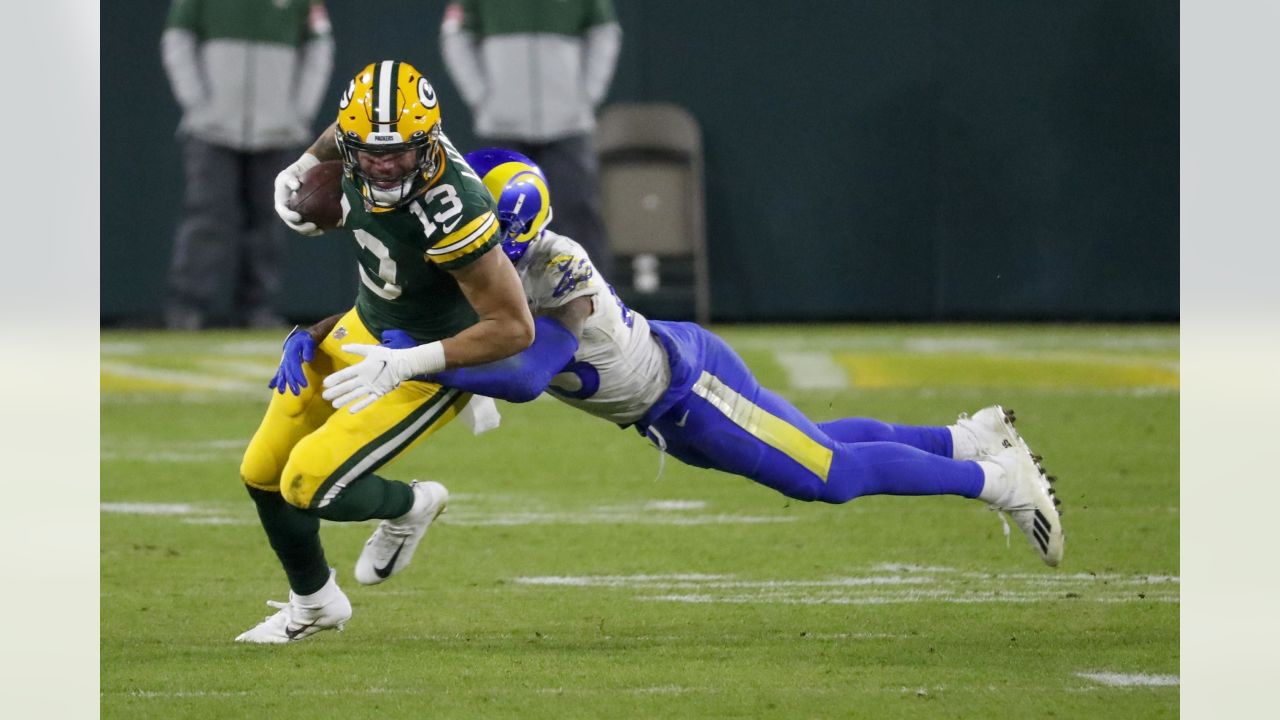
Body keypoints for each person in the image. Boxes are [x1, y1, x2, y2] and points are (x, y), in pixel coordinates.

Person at [324, 149, 1065, 568]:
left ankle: (996, 481)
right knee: (820, 440)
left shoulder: (556, 275)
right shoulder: (475, 243)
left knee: (827, 476)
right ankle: (970, 437)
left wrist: (418, 361)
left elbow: (521, 371)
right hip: (667, 403)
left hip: (687, 390)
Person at [236, 61, 534, 644]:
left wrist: (405, 363)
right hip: (363, 326)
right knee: (262, 472)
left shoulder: (453, 207)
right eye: (369, 151)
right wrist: (300, 165)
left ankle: (412, 504)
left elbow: (513, 328)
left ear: (427, 141)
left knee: (309, 483)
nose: (383, 163)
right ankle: (315, 603)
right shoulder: (358, 143)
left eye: (399, 152)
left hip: (427, 360)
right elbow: (343, 134)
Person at [160, 0, 335, 330]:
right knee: (205, 217)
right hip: (211, 130)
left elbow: (320, 47)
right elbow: (177, 40)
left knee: (270, 222)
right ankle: (186, 309)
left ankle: (258, 309)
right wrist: (198, 105)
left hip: (277, 131)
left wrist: (297, 113)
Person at [439, 0, 620, 277]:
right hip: (502, 126)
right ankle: (501, 306)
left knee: (578, 216)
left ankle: (595, 306)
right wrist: (483, 99)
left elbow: (605, 32)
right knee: (497, 221)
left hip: (568, 126)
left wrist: (585, 97)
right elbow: (455, 35)